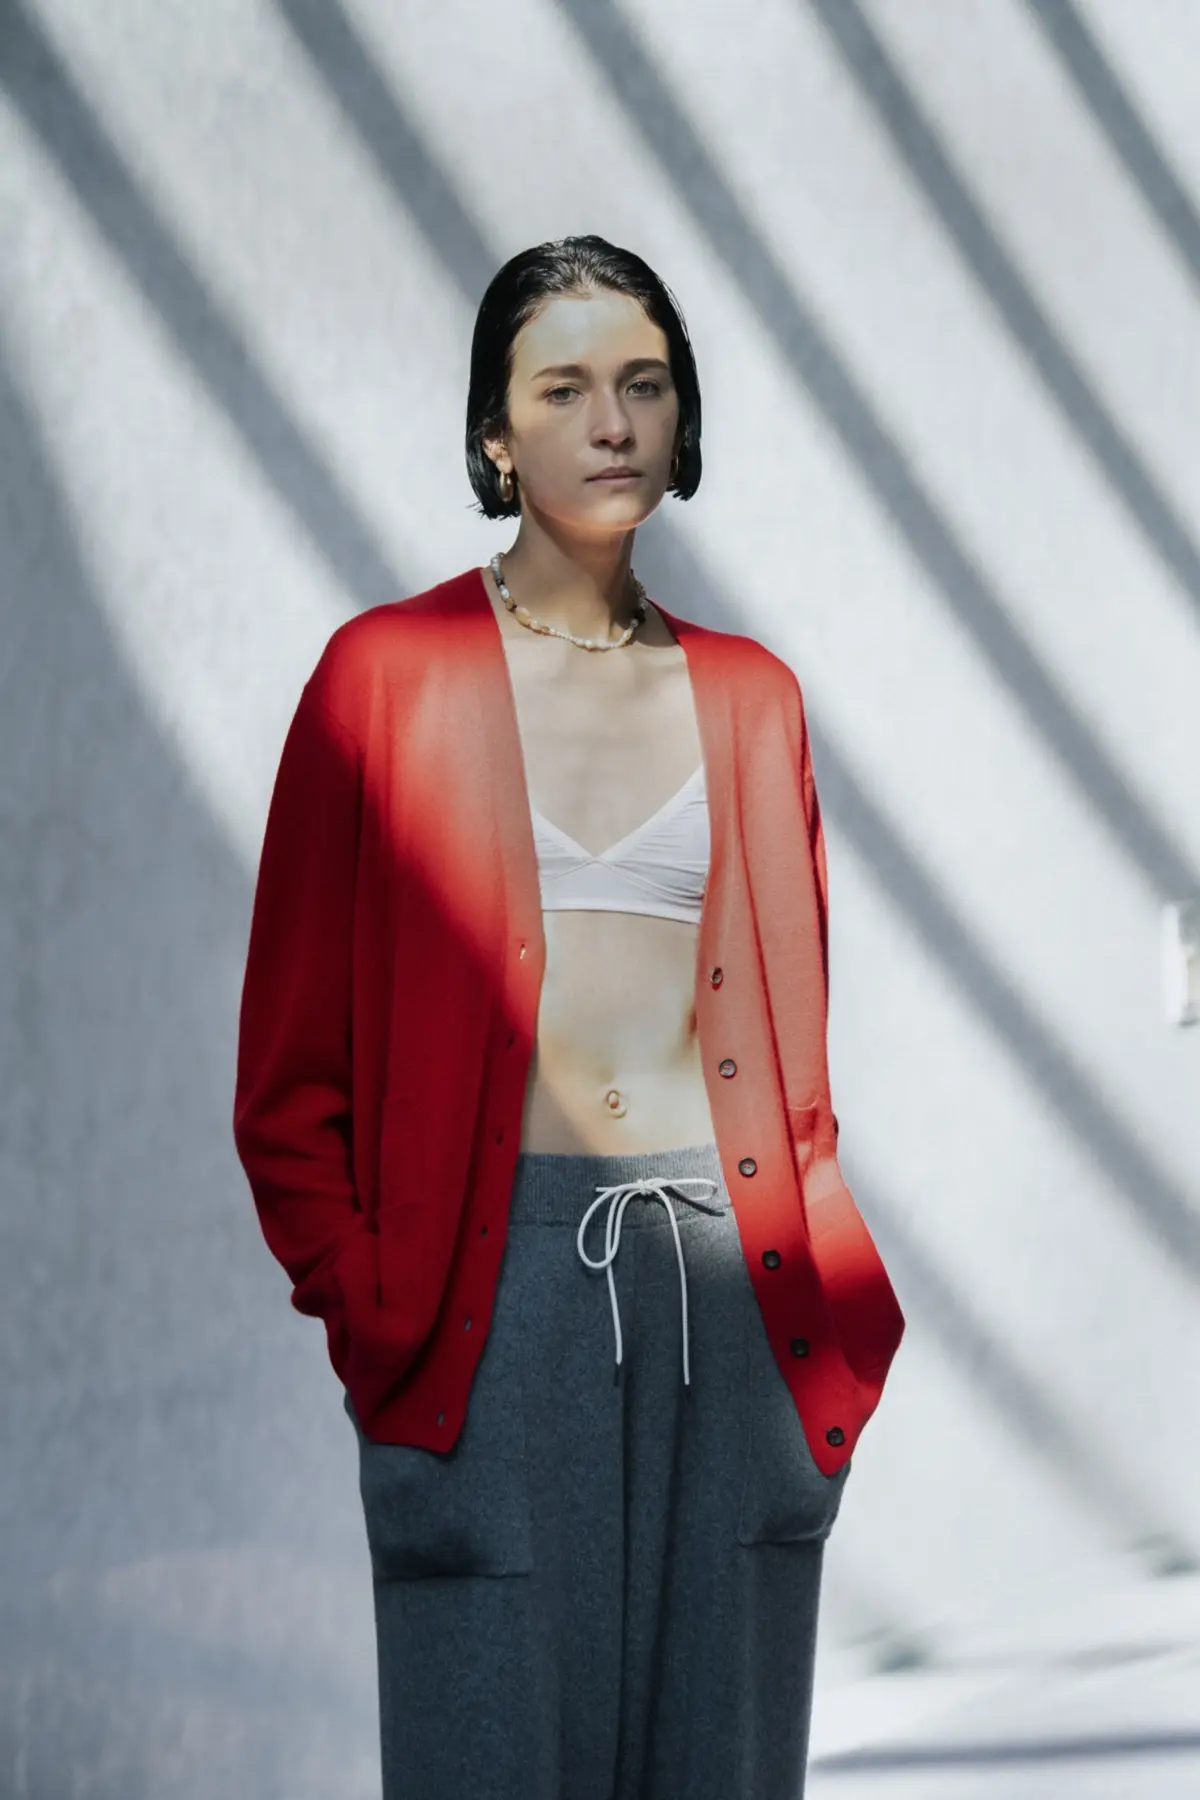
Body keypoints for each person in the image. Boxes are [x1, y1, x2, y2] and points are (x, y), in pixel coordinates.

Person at [233, 234, 905, 1800]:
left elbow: (794, 1071)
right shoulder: (380, 679)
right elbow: (286, 1087)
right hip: (490, 1300)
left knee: (719, 1763)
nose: (612, 422)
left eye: (645, 384)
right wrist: (377, 1316)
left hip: (729, 1285)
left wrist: (836, 1332)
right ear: (495, 433)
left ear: (682, 417)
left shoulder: (752, 698)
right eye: (564, 389)